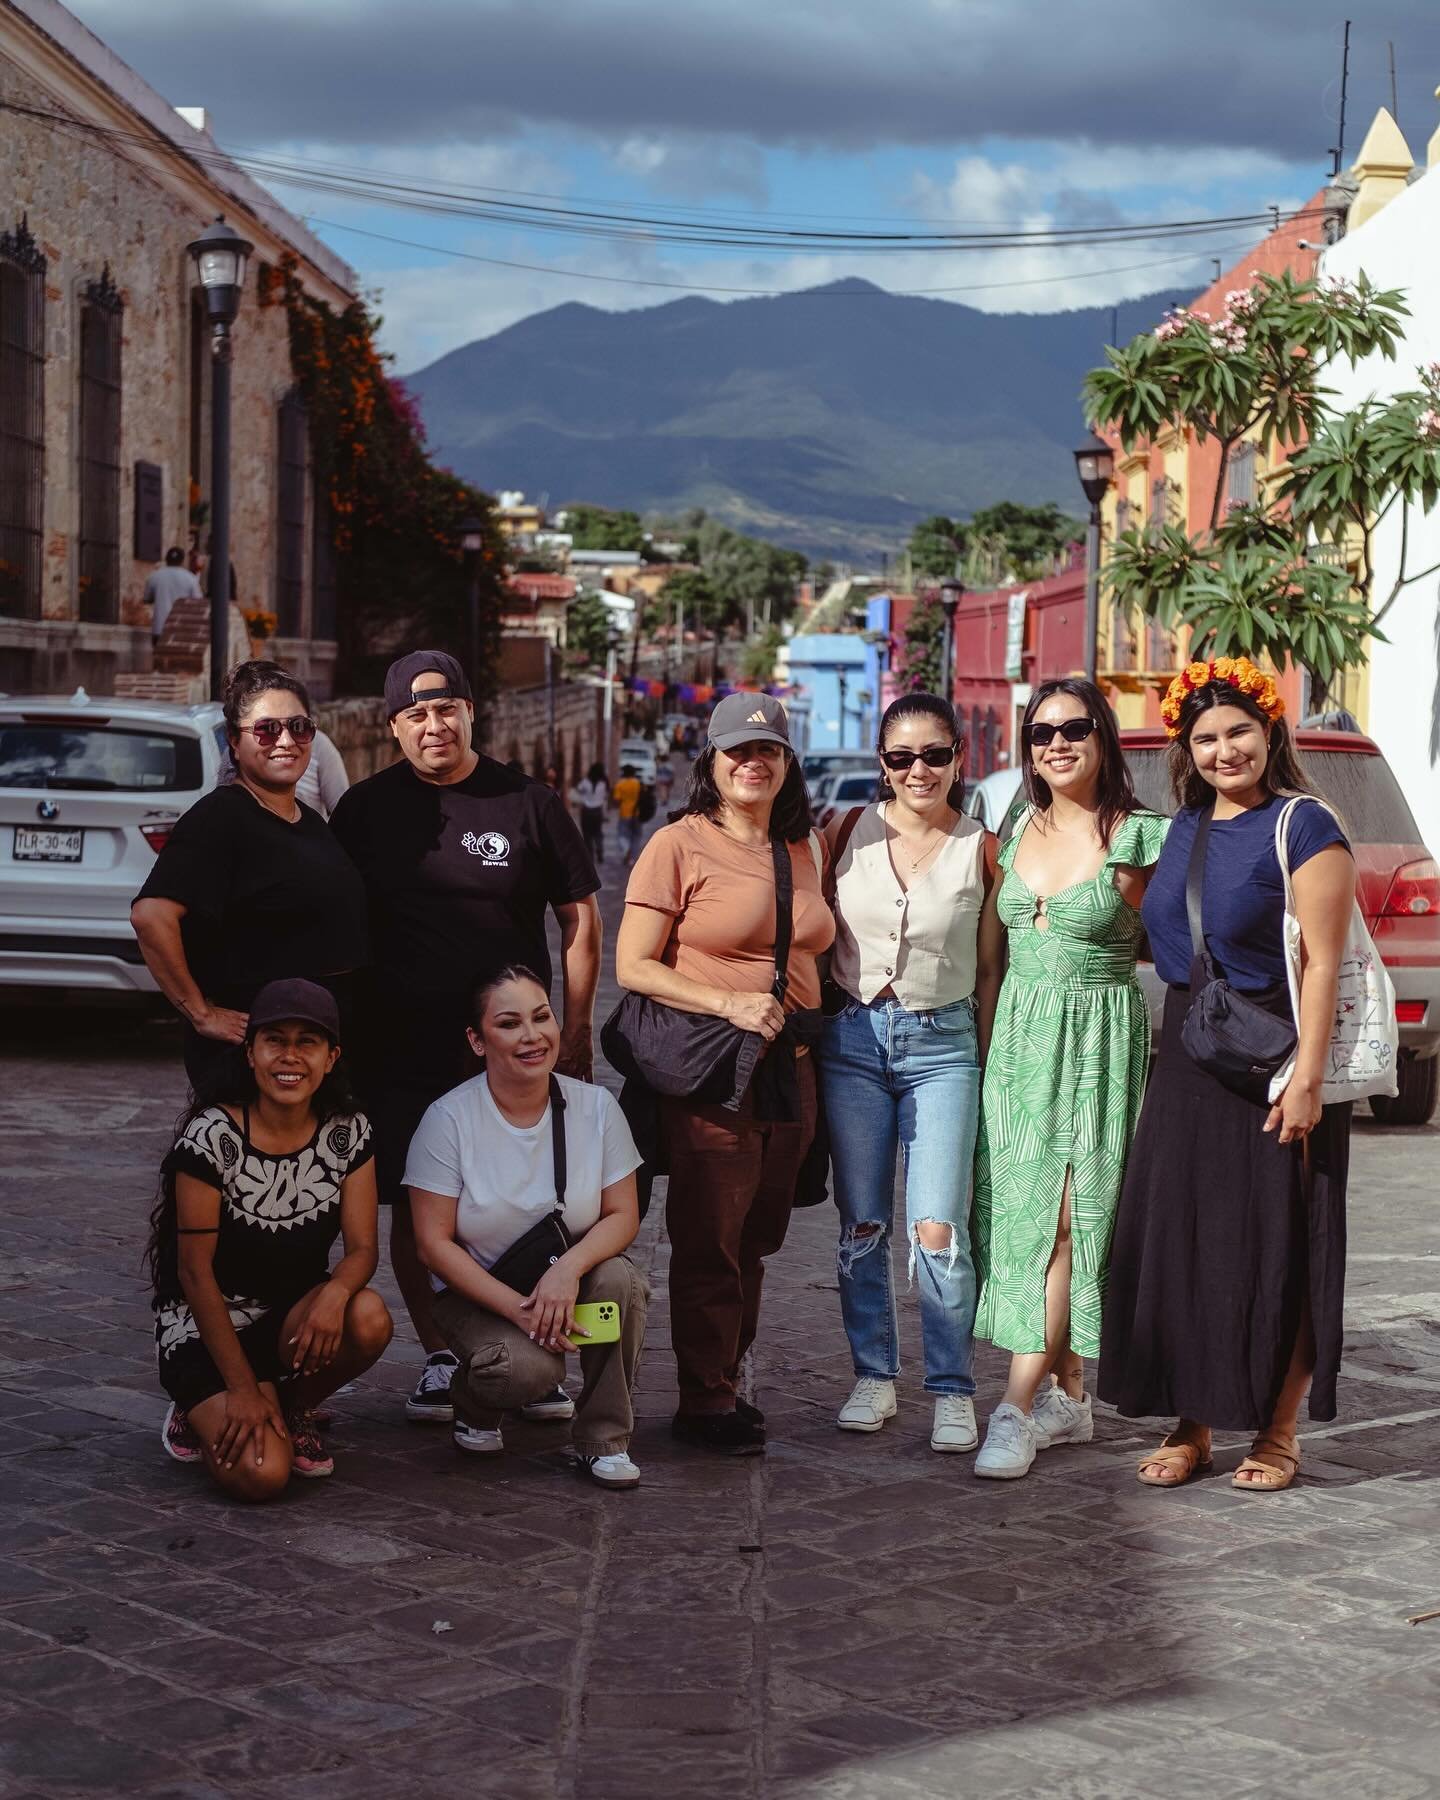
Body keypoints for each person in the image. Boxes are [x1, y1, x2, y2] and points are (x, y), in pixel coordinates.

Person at [1098, 658, 1355, 1493]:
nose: (1223, 750)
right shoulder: (1185, 829)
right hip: (1192, 1059)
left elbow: (1321, 964)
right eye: (1205, 738)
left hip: (1277, 1058)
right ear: (1187, 749)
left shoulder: (1308, 826)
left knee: (1280, 1243)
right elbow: (1169, 929)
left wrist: (1309, 1077)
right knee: (1187, 1242)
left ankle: (1277, 1435)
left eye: (1239, 730)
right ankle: (1193, 1424)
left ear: (1270, 730)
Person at [329, 651, 601, 1428]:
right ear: (392, 728)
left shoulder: (528, 803)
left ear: (472, 711)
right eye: (414, 714)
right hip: (398, 1052)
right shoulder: (366, 811)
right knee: (424, 1213)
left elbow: (581, 920)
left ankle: (531, 1353)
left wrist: (573, 1030)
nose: (432, 725)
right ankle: (445, 1354)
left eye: (445, 708)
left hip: (510, 1058)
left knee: (523, 1206)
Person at [615, 692, 834, 1454]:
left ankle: (727, 1379)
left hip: (794, 1069)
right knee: (710, 1234)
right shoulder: (678, 845)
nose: (753, 761)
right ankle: (702, 1399)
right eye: (737, 750)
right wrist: (726, 1001)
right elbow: (632, 965)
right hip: (715, 1071)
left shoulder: (806, 846)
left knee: (759, 1233)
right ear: (711, 761)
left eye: (767, 750)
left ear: (786, 761)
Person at [971, 678, 1168, 1481]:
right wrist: (988, 1058)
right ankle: (1071, 1394)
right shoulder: (1018, 828)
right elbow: (990, 962)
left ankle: (1014, 1407)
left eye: (1074, 727)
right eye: (1040, 731)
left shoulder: (1139, 837)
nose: (1056, 743)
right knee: (1020, 1224)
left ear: (1104, 738)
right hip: (1017, 1048)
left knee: (1066, 1222)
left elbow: (1189, 946)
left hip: (1096, 1043)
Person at [820, 693, 998, 1454]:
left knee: (937, 1227)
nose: (918, 770)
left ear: (958, 756)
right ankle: (874, 1375)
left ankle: (952, 1389)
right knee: (862, 1222)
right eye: (901, 757)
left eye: (933, 754)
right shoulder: (842, 834)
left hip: (945, 1045)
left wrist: (991, 1064)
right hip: (852, 1042)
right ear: (882, 766)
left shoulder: (982, 847)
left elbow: (991, 968)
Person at [148, 979, 392, 1497]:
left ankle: (293, 1406)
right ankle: (200, 1406)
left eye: (308, 1042)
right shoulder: (213, 1138)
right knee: (262, 1475)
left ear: (331, 1058)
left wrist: (333, 1294)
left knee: (367, 1315)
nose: (290, 1056)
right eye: (274, 1040)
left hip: (287, 1322)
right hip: (204, 1328)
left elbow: (364, 1249)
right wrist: (239, 1388)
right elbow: (194, 1272)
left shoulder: (347, 1131)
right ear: (251, 1054)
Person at [407, 967, 648, 1486]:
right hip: (479, 1294)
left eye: (542, 1017)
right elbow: (432, 1244)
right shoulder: (447, 1120)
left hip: (565, 1282)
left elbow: (623, 1214)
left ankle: (604, 1438)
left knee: (621, 1283)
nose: (532, 1036)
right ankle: (473, 1402)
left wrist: (568, 1271)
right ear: (477, 1040)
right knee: (524, 1370)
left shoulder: (597, 1108)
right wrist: (522, 1314)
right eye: (509, 1023)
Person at [131, 661, 368, 1093]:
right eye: (266, 729)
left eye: (299, 727)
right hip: (255, 1062)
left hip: (315, 1056)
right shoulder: (220, 818)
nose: (285, 741)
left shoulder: (309, 821)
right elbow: (151, 917)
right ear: (235, 745)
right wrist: (200, 1012)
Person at [143, 546, 201, 641]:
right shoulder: (191, 579)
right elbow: (197, 602)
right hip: (182, 628)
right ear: (182, 560)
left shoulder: (154, 576)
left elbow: (147, 599)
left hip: (160, 628)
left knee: (159, 654)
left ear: (166, 559)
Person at [571, 762, 609, 865]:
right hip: (598, 811)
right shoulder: (604, 783)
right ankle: (600, 849)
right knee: (598, 833)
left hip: (587, 811)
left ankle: (590, 856)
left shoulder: (585, 782)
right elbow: (605, 797)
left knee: (587, 835)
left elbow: (578, 790)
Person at [613, 764, 644, 868]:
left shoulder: (620, 784)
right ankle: (632, 859)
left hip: (624, 813)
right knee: (636, 836)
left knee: (622, 834)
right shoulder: (638, 783)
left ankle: (626, 850)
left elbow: (616, 801)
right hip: (637, 813)